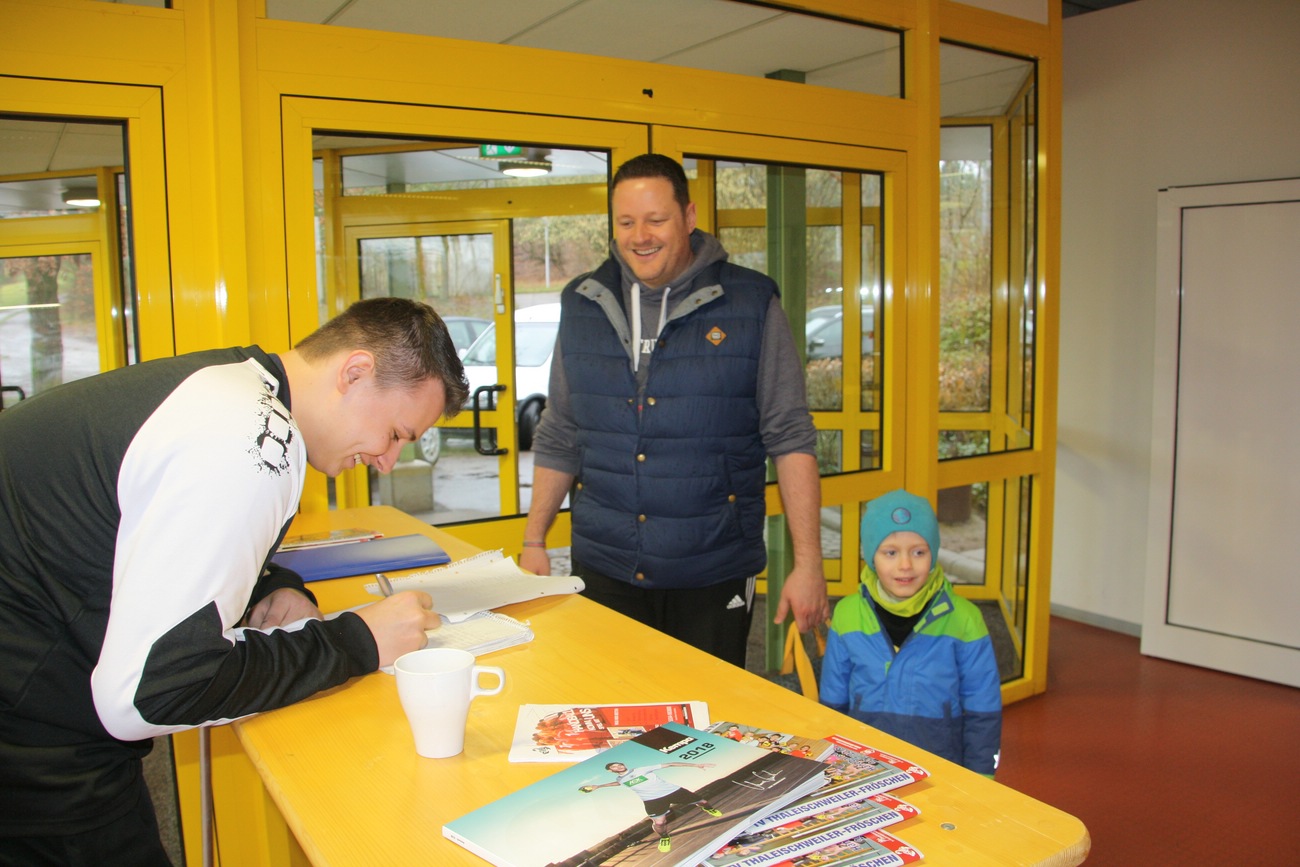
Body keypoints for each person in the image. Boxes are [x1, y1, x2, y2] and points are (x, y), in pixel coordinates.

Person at [0, 297, 469, 865]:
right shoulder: (252, 438)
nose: (387, 461)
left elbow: (150, 531)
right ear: (354, 372)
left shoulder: (232, 388)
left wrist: (271, 584)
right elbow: (152, 694)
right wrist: (356, 642)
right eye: (395, 433)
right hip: (34, 752)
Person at [520, 153, 829, 667]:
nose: (640, 236)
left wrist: (809, 563)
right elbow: (560, 431)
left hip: (712, 568)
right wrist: (534, 540)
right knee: (614, 704)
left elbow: (790, 436)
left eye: (656, 220)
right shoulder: (582, 302)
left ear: (688, 217)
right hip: (605, 565)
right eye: (625, 222)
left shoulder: (751, 303)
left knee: (708, 711)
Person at [819, 488, 1002, 776]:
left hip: (940, 768)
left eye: (918, 552)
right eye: (890, 553)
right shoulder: (847, 614)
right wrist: (834, 767)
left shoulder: (965, 620)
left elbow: (984, 711)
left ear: (933, 554)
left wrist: (982, 777)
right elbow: (832, 703)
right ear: (871, 556)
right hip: (864, 768)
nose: (905, 565)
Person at [579, 760, 722, 852]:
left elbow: (669, 764)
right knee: (659, 823)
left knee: (702, 802)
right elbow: (618, 783)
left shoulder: (640, 769)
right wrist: (599, 786)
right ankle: (664, 837)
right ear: (612, 770)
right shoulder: (620, 779)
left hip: (672, 791)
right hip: (652, 800)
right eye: (614, 767)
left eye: (619, 764)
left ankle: (708, 809)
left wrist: (696, 765)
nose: (619, 766)